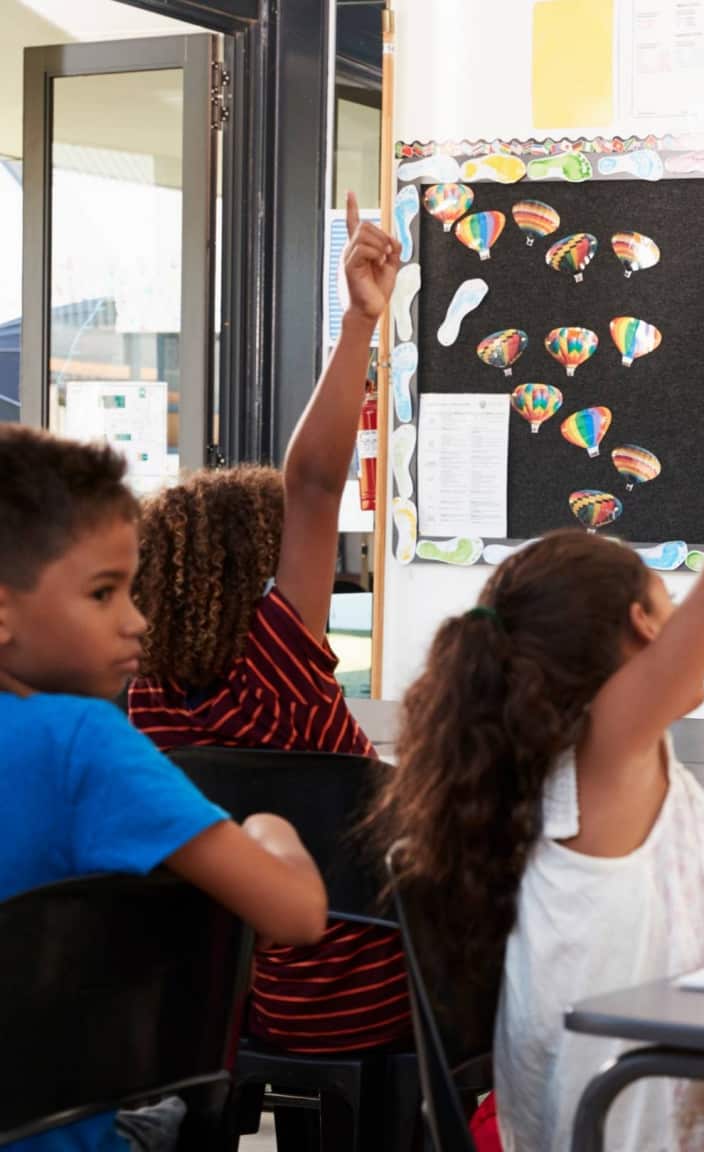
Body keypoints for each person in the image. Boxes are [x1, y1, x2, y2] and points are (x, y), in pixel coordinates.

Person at [371, 208, 704, 1152]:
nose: (686, 630)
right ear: (637, 630)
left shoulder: (534, 781)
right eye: (669, 606)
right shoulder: (610, 755)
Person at [122, 193, 407, 1058]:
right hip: (373, 989)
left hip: (230, 1011)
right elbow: (315, 485)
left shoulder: (143, 706)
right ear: (263, 567)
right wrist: (359, 324)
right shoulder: (278, 664)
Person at [0, 426, 328, 1152]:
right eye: (103, 592)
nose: (136, 619)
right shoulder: (83, 742)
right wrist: (270, 832)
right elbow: (297, 914)